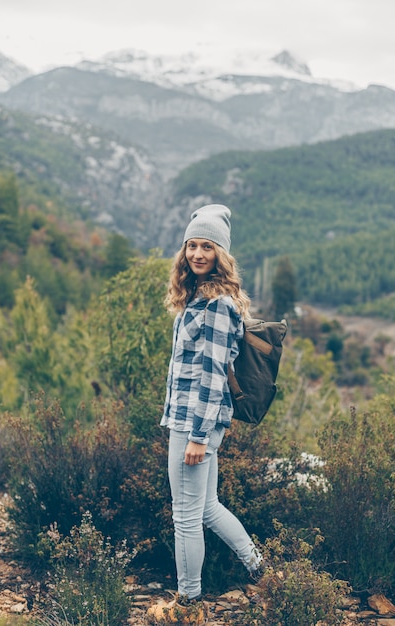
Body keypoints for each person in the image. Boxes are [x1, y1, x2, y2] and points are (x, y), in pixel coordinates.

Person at [147, 204, 262, 625]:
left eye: (206, 246)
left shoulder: (215, 304)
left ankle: (189, 601)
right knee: (208, 506)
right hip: (194, 419)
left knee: (186, 516)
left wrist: (198, 435)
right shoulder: (197, 297)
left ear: (220, 253)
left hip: (194, 422)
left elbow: (214, 375)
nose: (197, 253)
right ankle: (258, 568)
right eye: (192, 245)